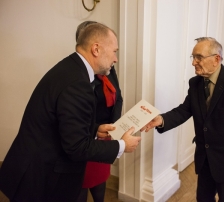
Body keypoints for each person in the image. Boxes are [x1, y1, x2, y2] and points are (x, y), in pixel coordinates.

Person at [0, 23, 141, 202]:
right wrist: (122, 145)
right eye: (114, 51)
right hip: (40, 177)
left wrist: (95, 129)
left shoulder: (71, 68)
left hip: (35, 167)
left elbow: (62, 121)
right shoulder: (78, 84)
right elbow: (77, 148)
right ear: (96, 49)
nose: (116, 59)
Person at [141, 37, 224, 202]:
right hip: (205, 160)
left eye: (199, 57)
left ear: (216, 59)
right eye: (193, 57)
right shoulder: (195, 83)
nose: (194, 62)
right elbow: (185, 110)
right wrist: (161, 119)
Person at [74, 21, 123, 202]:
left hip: (105, 136)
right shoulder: (78, 75)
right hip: (87, 138)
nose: (115, 58)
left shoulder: (108, 66)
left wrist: (115, 127)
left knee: (100, 184)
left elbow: (118, 96)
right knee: (80, 187)